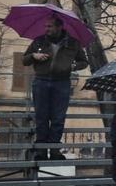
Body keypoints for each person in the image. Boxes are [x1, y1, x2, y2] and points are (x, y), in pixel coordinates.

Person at [22, 15, 88, 160]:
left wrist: (74, 66)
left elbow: (84, 62)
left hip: (62, 82)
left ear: (59, 27)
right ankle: (41, 150)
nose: (47, 29)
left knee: (58, 118)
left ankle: (54, 149)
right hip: (41, 81)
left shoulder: (73, 43)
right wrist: (34, 56)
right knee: (41, 117)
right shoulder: (38, 41)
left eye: (50, 26)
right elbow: (24, 60)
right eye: (46, 26)